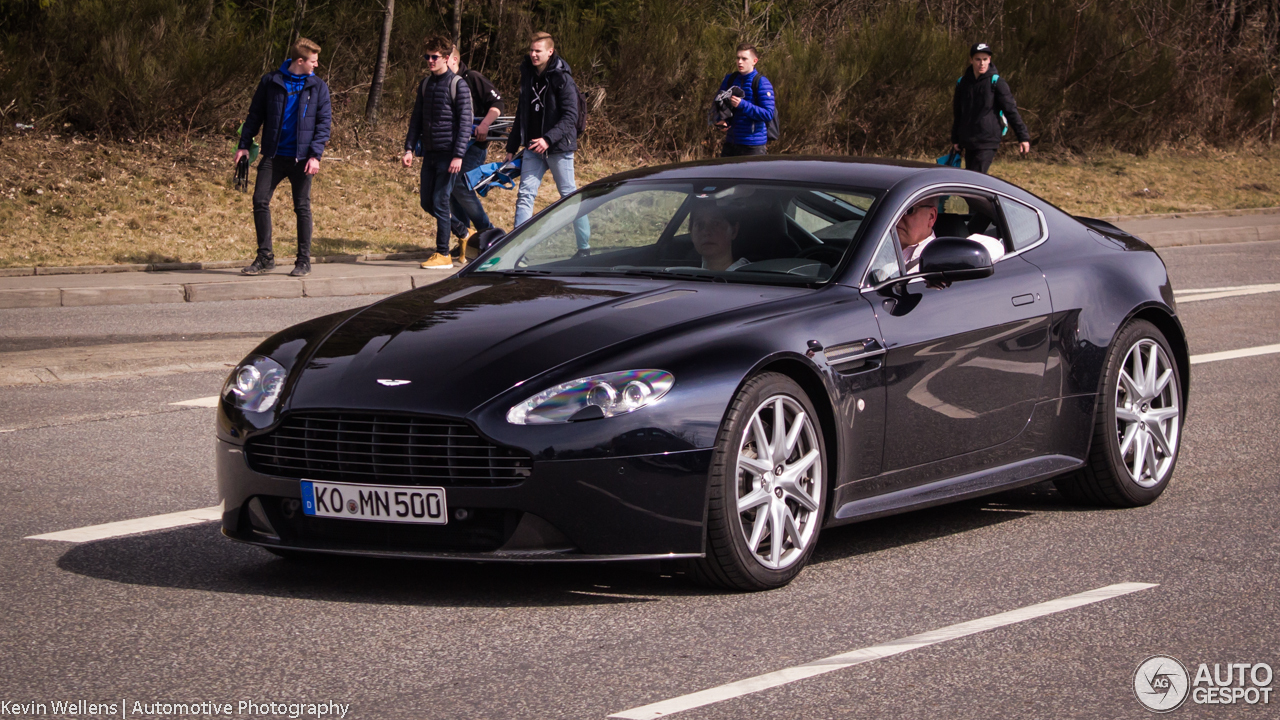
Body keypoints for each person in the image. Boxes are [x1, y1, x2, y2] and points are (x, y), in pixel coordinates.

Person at [235, 38, 332, 277]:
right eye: (313, 61)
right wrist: (243, 146)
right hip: (274, 155)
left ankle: (303, 261)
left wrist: (315, 155)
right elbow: (254, 115)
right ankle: (265, 257)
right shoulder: (271, 81)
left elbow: (323, 124)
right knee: (259, 200)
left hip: (302, 159)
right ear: (300, 61)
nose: (316, 65)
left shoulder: (318, 87)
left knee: (302, 207)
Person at [505, 31, 589, 256]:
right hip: (533, 148)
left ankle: (584, 248)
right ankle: (517, 252)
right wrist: (511, 147)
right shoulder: (528, 75)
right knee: (525, 195)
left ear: (549, 52)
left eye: (538, 51)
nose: (533, 54)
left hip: (559, 148)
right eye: (531, 50)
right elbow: (521, 112)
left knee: (569, 196)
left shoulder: (562, 78)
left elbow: (571, 116)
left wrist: (548, 139)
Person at [402, 35, 473, 269]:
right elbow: (416, 120)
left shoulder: (458, 85)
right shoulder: (425, 85)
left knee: (441, 200)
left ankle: (443, 254)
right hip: (430, 154)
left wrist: (458, 155)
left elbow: (465, 123)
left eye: (434, 57)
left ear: (446, 58)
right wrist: (409, 148)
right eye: (427, 57)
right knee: (427, 202)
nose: (430, 61)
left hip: (449, 154)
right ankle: (464, 233)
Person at [446, 48, 505, 254]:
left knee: (462, 184)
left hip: (474, 144)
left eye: (441, 58)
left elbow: (497, 103)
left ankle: (487, 232)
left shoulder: (472, 78)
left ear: (453, 59)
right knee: (452, 189)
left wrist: (485, 124)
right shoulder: (441, 82)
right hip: (451, 146)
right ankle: (466, 239)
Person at [952, 42, 1031, 174]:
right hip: (968, 141)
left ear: (989, 60)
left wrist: (1023, 137)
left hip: (987, 140)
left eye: (985, 59)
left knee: (975, 180)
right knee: (969, 181)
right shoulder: (962, 83)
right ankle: (985, 196)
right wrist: (955, 139)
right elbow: (958, 113)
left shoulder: (997, 82)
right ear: (971, 60)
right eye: (978, 59)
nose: (981, 63)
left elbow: (1011, 110)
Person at [896, 199, 1004, 275]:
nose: (897, 217)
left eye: (907, 211)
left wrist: (952, 261)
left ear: (931, 217)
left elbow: (994, 248)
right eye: (895, 210)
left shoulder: (939, 256)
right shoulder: (882, 242)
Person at [714, 43, 776, 157]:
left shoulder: (762, 83)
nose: (740, 62)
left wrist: (742, 105)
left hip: (752, 146)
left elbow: (768, 114)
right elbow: (718, 102)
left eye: (744, 59)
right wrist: (721, 120)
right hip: (731, 143)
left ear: (754, 61)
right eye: (738, 58)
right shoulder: (730, 79)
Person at [690, 204, 748, 271]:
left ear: (734, 231)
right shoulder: (683, 274)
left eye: (716, 223)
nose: (706, 232)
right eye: (699, 224)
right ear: (691, 233)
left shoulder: (752, 276)